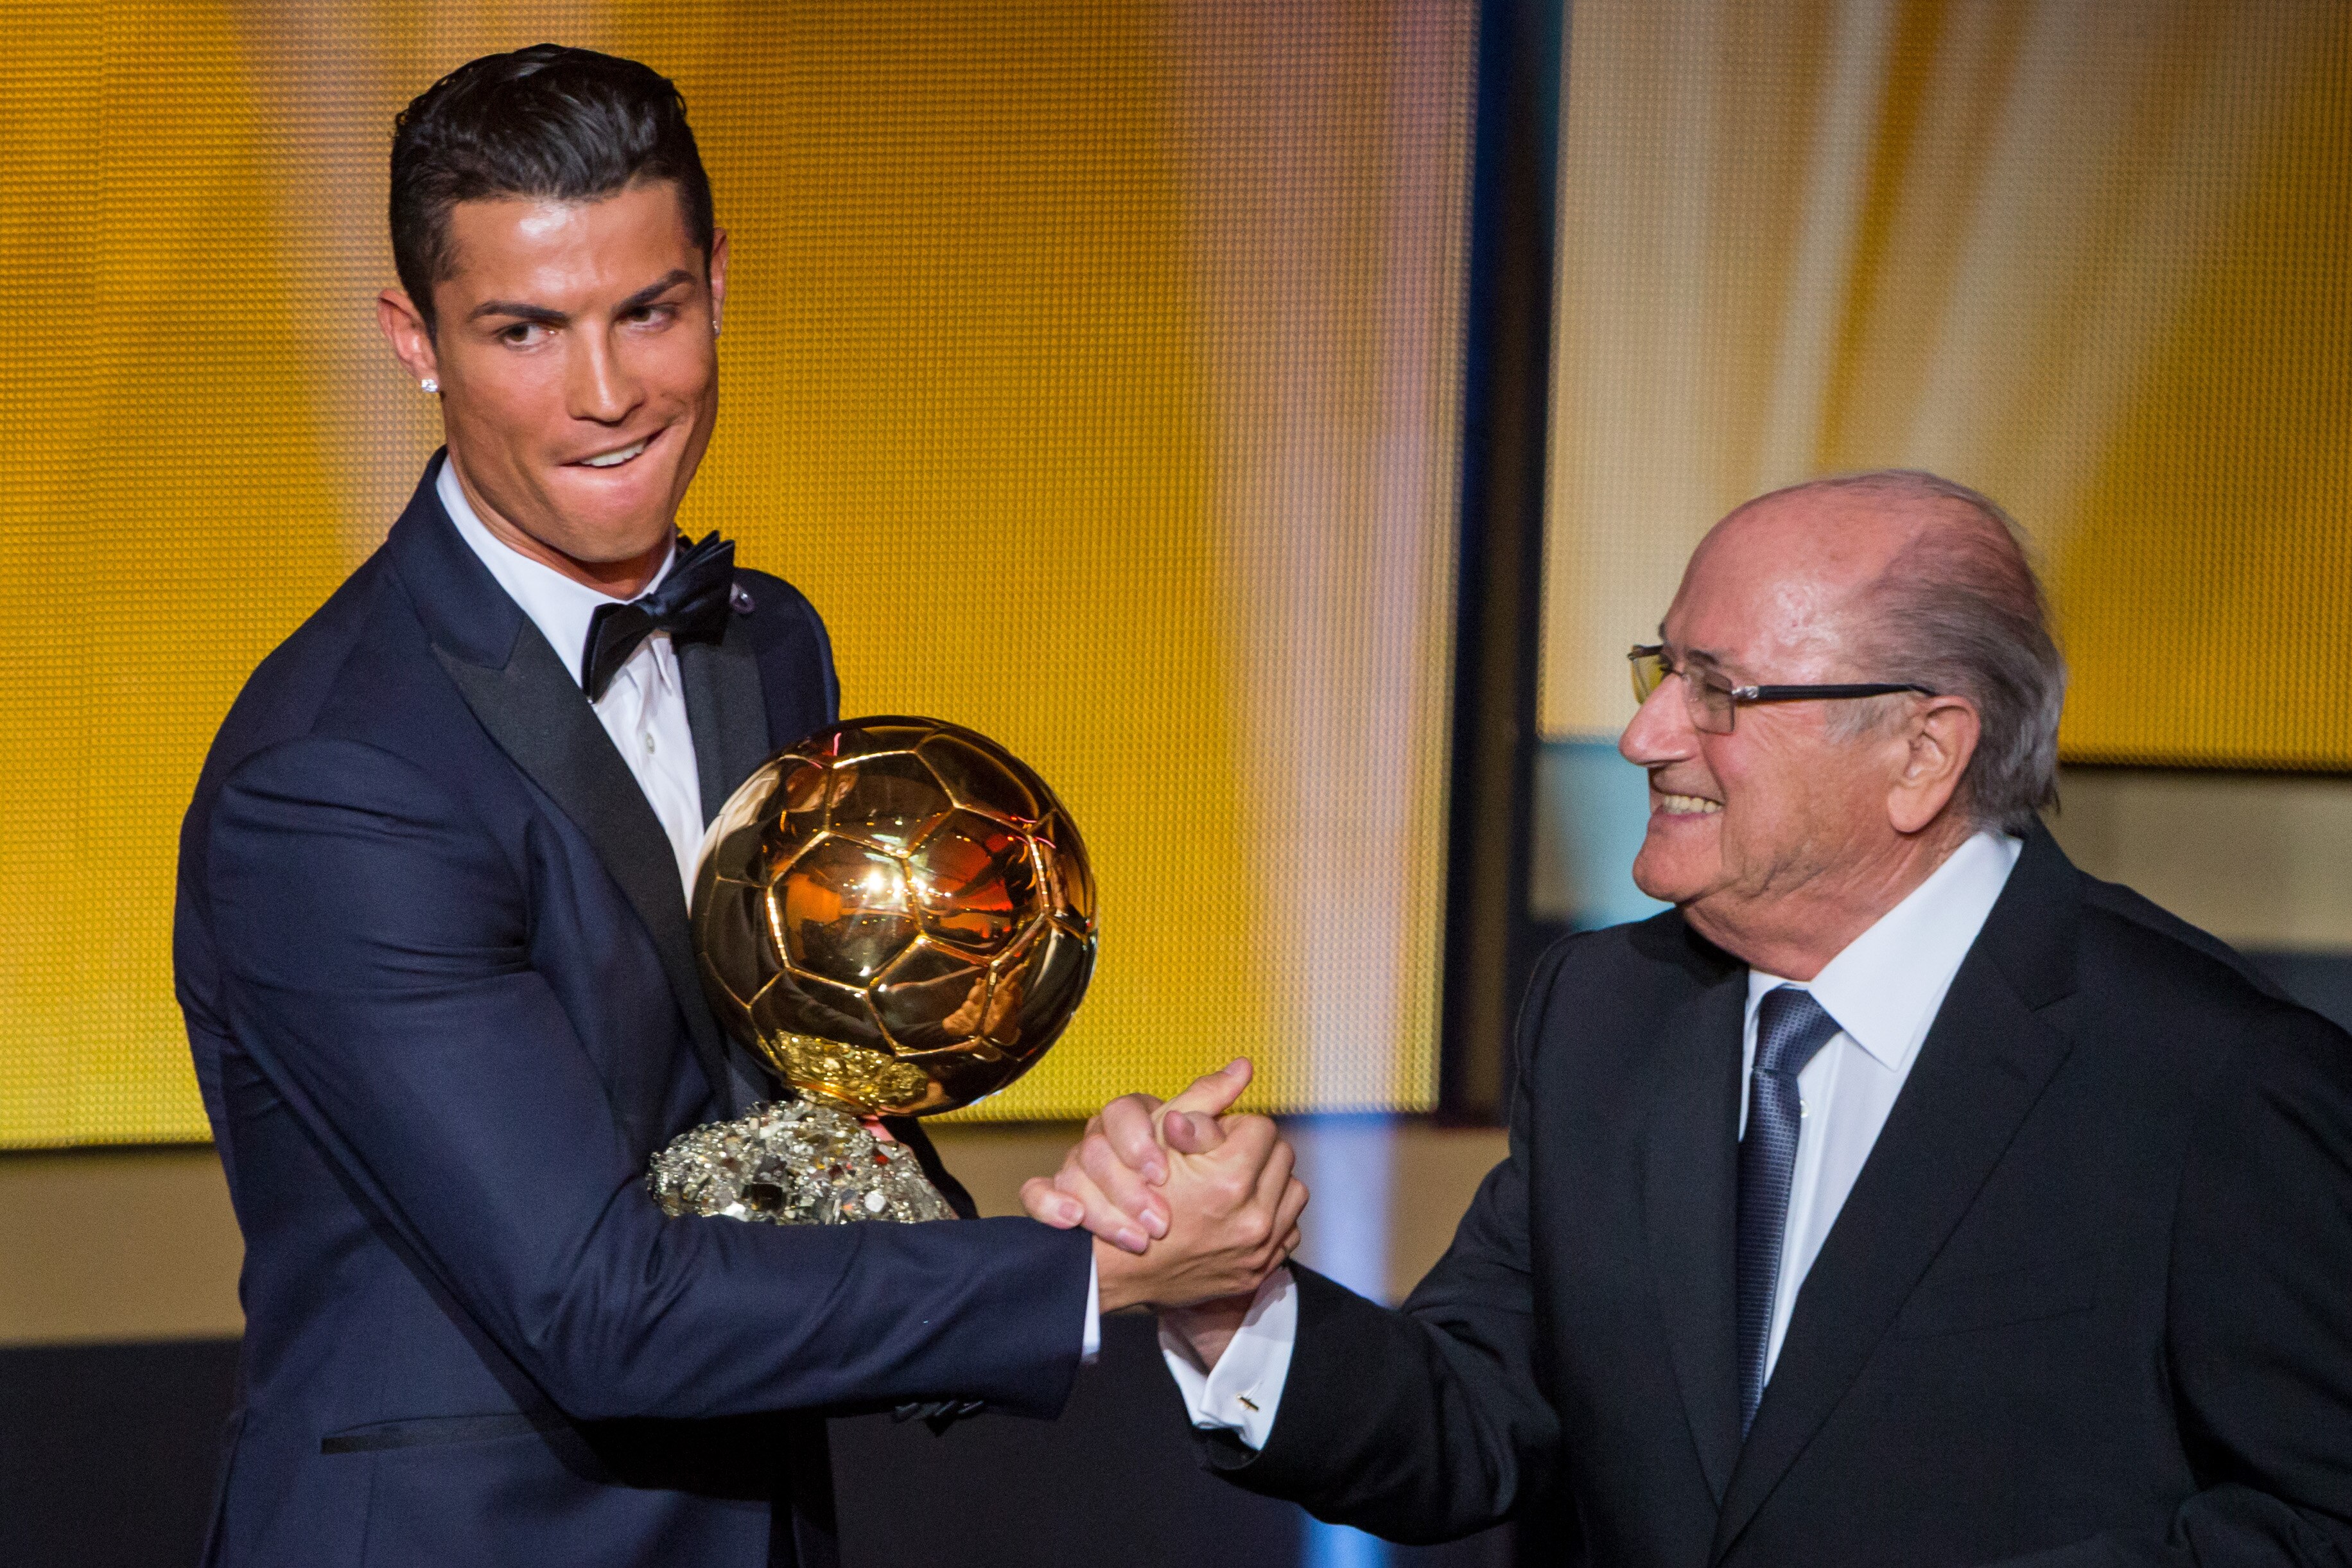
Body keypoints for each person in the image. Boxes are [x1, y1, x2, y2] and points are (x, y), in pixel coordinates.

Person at [174, 46, 1302, 1568]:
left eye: (648, 311)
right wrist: (1080, 1283)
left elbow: (785, 1125)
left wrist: (1101, 1212)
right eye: (524, 330)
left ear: (715, 283)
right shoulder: (336, 776)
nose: (606, 394)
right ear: (415, 341)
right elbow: (594, 1307)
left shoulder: (764, 645)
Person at [1036, 471, 2352, 1565]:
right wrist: (1230, 1303)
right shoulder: (1605, 1013)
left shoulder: (2209, 1075)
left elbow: (2317, 1520)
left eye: (1719, 689)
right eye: (1662, 668)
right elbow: (1478, 1415)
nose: (1646, 732)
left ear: (1922, 752)